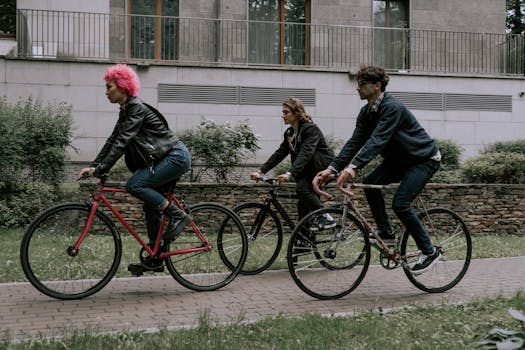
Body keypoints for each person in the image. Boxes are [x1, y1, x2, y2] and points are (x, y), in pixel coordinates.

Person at [315, 65, 442, 275]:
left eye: (362, 84)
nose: (357, 88)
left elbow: (378, 140)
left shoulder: (393, 107)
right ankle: (386, 232)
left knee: (400, 204)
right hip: (398, 161)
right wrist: (332, 168)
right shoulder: (366, 112)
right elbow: (355, 142)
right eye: (357, 84)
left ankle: (429, 252)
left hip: (422, 159)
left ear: (377, 86)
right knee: (370, 185)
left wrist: (354, 167)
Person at [79, 63, 192, 273]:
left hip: (175, 157)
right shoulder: (125, 111)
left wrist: (102, 169)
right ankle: (156, 257)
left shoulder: (136, 108)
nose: (106, 92)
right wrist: (95, 166)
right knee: (151, 206)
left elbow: (123, 141)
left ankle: (179, 215)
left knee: (135, 184)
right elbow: (113, 140)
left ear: (123, 86)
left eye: (109, 87)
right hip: (163, 159)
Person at [250, 97, 335, 230]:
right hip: (305, 172)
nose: (283, 115)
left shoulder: (310, 129)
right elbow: (280, 153)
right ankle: (305, 243)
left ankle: (325, 216)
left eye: (286, 112)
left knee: (302, 189)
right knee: (302, 205)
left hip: (319, 170)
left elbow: (306, 153)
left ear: (296, 113)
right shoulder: (290, 133)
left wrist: (290, 173)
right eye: (283, 112)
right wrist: (261, 171)